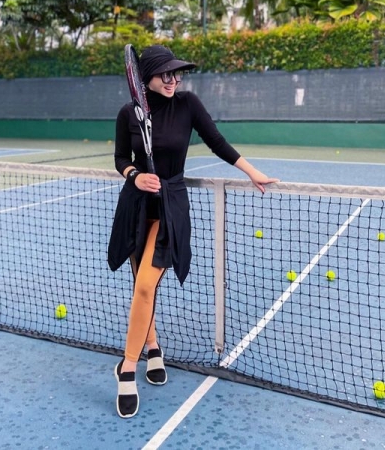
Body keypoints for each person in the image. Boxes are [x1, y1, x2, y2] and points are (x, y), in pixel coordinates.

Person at [108, 45, 278, 419]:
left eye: (177, 74)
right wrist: (135, 176)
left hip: (170, 207)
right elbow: (121, 158)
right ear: (147, 78)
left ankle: (126, 369)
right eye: (166, 75)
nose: (174, 80)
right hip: (138, 206)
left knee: (145, 285)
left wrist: (252, 171)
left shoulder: (188, 105)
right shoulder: (129, 114)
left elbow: (216, 141)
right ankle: (154, 349)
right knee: (142, 286)